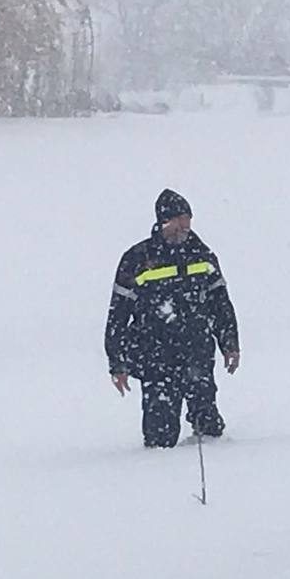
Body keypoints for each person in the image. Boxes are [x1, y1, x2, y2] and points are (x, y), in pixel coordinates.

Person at [105, 189, 240, 447]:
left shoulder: (202, 255)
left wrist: (230, 344)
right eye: (177, 221)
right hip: (155, 360)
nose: (184, 227)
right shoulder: (137, 260)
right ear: (162, 222)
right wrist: (117, 362)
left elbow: (220, 305)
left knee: (209, 429)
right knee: (159, 438)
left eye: (187, 220)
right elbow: (117, 317)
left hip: (197, 354)